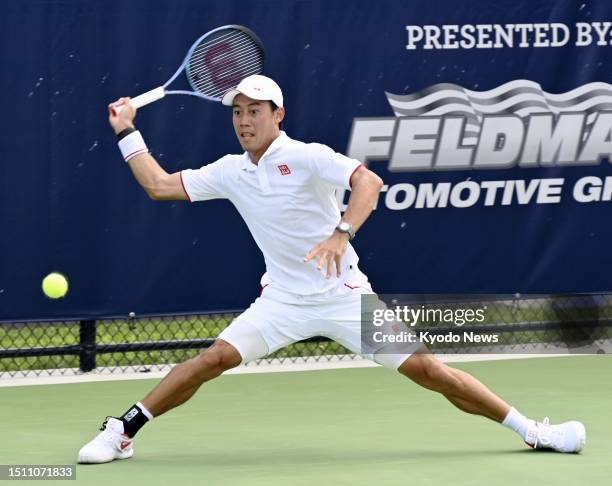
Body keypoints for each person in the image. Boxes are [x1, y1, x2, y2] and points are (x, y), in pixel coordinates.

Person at [77, 75, 585, 463]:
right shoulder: (230, 170)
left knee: (429, 371)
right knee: (211, 361)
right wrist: (127, 131)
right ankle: (123, 431)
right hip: (282, 301)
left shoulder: (307, 156)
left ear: (279, 115)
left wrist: (342, 232)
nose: (244, 120)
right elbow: (159, 185)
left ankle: (534, 431)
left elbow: (369, 183)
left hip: (343, 295)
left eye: (255, 110)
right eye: (237, 112)